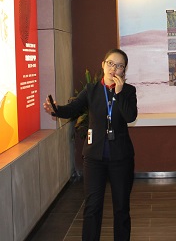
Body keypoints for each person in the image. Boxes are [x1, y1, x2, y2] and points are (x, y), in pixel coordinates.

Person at [43, 48, 137, 241]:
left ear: (124, 71)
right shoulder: (92, 89)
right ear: (103, 65)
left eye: (119, 66)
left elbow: (130, 116)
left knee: (121, 207)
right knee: (92, 206)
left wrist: (119, 94)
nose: (114, 68)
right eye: (110, 63)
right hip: (94, 157)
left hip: (121, 158)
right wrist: (56, 110)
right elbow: (72, 109)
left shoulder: (128, 91)